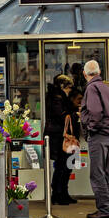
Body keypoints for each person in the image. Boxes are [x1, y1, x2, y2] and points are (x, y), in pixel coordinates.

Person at [79, 59, 109, 218]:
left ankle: (104, 209)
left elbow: (95, 112)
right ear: (99, 72)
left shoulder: (92, 88)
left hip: (100, 134)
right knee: (103, 171)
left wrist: (90, 127)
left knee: (97, 173)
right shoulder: (103, 86)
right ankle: (106, 206)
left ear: (84, 74)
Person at [44, 75, 79, 207]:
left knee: (64, 165)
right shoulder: (58, 98)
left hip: (58, 136)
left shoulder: (55, 96)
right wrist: (75, 115)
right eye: (69, 88)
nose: (70, 91)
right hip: (59, 137)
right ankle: (59, 193)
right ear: (63, 87)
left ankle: (61, 192)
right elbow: (61, 115)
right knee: (63, 165)